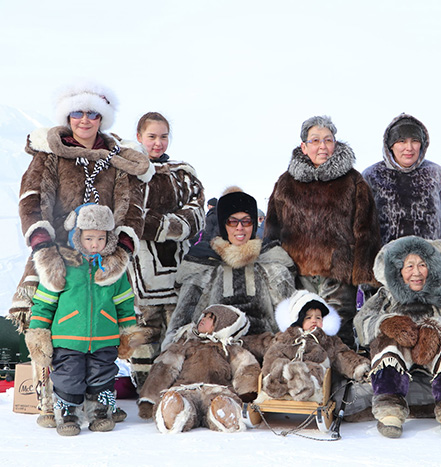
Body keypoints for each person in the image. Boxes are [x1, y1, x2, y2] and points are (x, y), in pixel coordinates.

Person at [12, 80, 153, 427]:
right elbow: (31, 201)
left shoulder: (118, 160)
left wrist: (120, 251)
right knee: (41, 323)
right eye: (78, 113)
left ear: (102, 118)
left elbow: (132, 207)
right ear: (68, 116)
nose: (85, 120)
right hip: (54, 253)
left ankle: (98, 401)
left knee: (103, 328)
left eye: (93, 114)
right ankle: (51, 400)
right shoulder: (50, 154)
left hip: (101, 254)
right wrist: (44, 248)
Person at [265, 115, 382, 347]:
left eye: (328, 140)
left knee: (337, 333)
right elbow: (272, 232)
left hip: (338, 273)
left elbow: (366, 230)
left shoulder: (353, 181)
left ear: (335, 144)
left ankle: (338, 382)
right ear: (304, 146)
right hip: (298, 274)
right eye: (315, 140)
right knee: (300, 331)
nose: (322, 146)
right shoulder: (286, 183)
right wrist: (277, 270)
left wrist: (364, 275)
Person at [23, 204, 137, 436]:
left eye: (100, 238)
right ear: (78, 237)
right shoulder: (61, 266)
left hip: (105, 336)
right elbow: (44, 304)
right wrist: (38, 333)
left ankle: (101, 412)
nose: (95, 244)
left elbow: (124, 303)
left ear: (109, 238)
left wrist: (127, 332)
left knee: (103, 374)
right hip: (67, 337)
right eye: (89, 238)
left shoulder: (113, 270)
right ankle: (67, 413)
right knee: (67, 376)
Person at [354, 236, 441, 439]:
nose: (416, 272)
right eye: (409, 266)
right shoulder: (387, 295)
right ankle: (389, 408)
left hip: (433, 353)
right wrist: (388, 324)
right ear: (399, 270)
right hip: (401, 349)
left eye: (422, 265)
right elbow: (361, 321)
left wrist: (438, 329)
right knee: (387, 346)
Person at [126, 112, 205, 390]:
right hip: (140, 274)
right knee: (143, 337)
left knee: (179, 335)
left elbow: (197, 216)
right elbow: (126, 216)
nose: (158, 143)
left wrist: (159, 224)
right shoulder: (127, 173)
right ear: (139, 137)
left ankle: (174, 389)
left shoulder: (183, 173)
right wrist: (170, 223)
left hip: (178, 275)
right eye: (151, 136)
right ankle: (145, 392)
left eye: (163, 136)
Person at [162, 187, 296, 348]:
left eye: (246, 221)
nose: (240, 228)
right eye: (233, 221)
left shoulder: (272, 265)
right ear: (223, 225)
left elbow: (292, 321)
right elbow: (182, 321)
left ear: (253, 224)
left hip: (265, 349)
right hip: (214, 352)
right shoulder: (205, 266)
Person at [137, 305, 258, 434]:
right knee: (179, 400)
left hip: (216, 390)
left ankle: (223, 411)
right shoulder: (185, 343)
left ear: (224, 325)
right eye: (204, 315)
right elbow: (164, 367)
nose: (203, 319)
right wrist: (149, 397)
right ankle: (174, 410)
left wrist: (247, 394)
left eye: (211, 318)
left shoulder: (228, 348)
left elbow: (246, 367)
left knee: (222, 400)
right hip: (186, 389)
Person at [363, 113, 441, 252]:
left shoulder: (437, 174)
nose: (409, 148)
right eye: (401, 141)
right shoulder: (371, 176)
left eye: (415, 140)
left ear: (422, 144)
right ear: (390, 145)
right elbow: (362, 231)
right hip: (385, 268)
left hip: (429, 267)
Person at [246, 290, 369, 403]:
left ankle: (303, 387)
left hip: (312, 384)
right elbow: (272, 351)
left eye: (318, 317)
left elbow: (341, 354)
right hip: (284, 379)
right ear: (299, 320)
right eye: (308, 318)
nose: (314, 321)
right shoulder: (287, 336)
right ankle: (275, 385)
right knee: (278, 361)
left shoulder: (327, 339)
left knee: (311, 367)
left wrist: (358, 366)